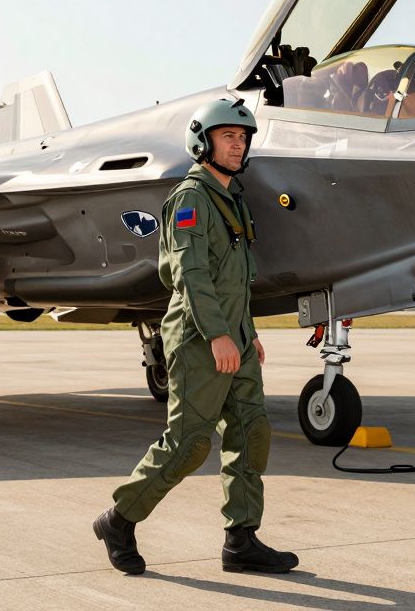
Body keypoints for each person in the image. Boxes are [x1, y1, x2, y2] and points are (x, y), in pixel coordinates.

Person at [93, 97, 299, 575]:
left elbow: (235, 278)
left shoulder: (232, 198)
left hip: (235, 337)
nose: (238, 144)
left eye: (243, 137)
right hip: (199, 339)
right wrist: (218, 336)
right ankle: (118, 520)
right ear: (203, 142)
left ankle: (241, 540)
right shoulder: (191, 199)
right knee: (188, 443)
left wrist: (246, 333)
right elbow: (191, 276)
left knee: (252, 434)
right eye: (228, 136)